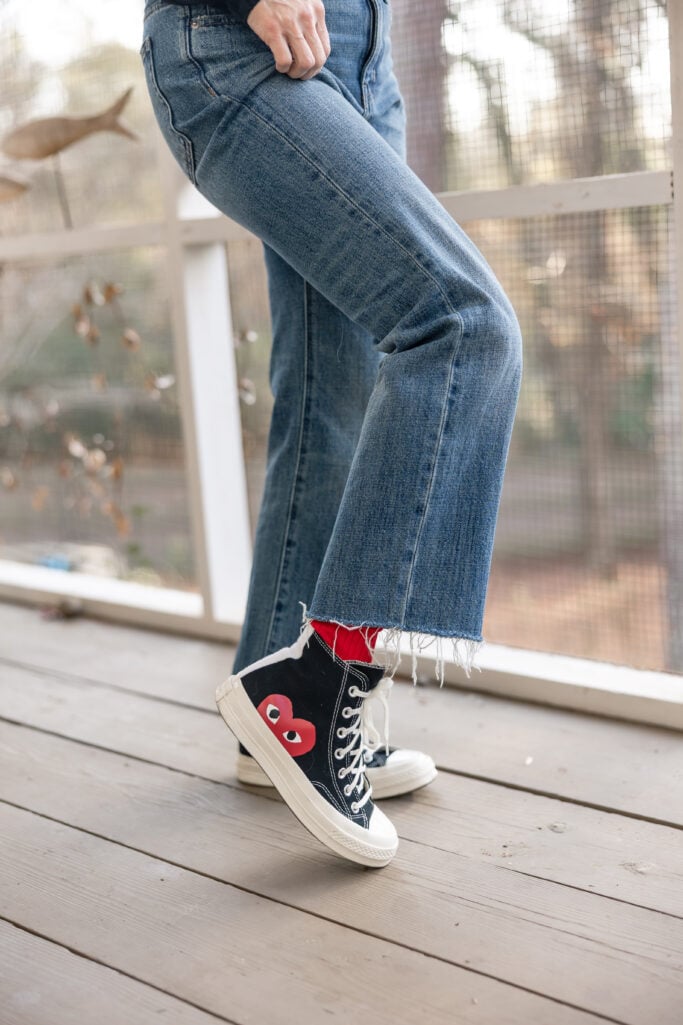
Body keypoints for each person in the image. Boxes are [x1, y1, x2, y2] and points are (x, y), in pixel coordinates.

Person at [139, 0, 522, 868]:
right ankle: (317, 685)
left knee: (329, 396)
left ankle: (265, 717)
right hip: (236, 36)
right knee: (462, 326)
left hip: (359, 62)